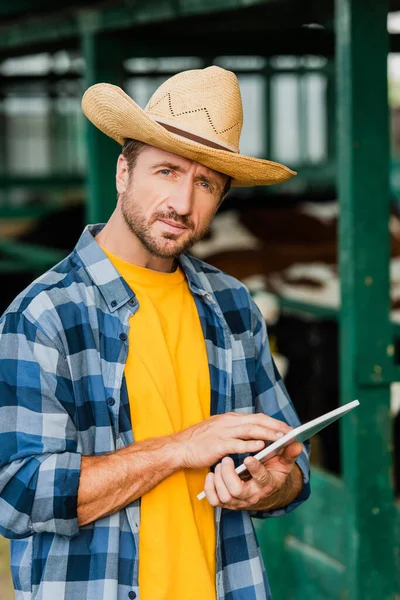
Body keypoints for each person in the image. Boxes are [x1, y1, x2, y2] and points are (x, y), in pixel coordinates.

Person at [0, 66, 310, 600]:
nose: (184, 204)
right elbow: (21, 494)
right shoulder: (44, 314)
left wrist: (268, 485)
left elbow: (292, 462)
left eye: (206, 183)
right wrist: (178, 449)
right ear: (123, 171)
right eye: (166, 171)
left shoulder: (233, 305)